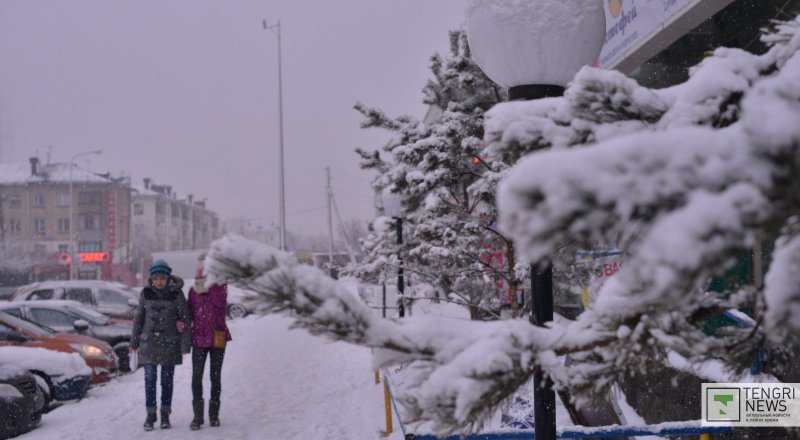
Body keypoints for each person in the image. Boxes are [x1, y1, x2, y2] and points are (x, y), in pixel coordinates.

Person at [130, 259, 191, 431]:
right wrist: (133, 342)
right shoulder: (145, 293)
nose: (159, 281)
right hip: (148, 343)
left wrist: (185, 345)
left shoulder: (177, 294)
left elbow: (185, 320)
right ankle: (150, 415)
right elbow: (139, 319)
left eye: (162, 278)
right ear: (151, 278)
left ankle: (165, 414)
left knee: (167, 381)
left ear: (167, 278)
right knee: (149, 379)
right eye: (155, 278)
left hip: (170, 343)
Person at [187, 255, 231, 430]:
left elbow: (220, 306)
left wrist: (209, 288)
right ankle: (197, 417)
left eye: (206, 274)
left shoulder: (220, 288)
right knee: (196, 377)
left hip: (218, 337)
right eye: (200, 274)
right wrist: (181, 322)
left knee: (215, 377)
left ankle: (214, 415)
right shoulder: (192, 291)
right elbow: (189, 313)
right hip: (198, 339)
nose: (202, 278)